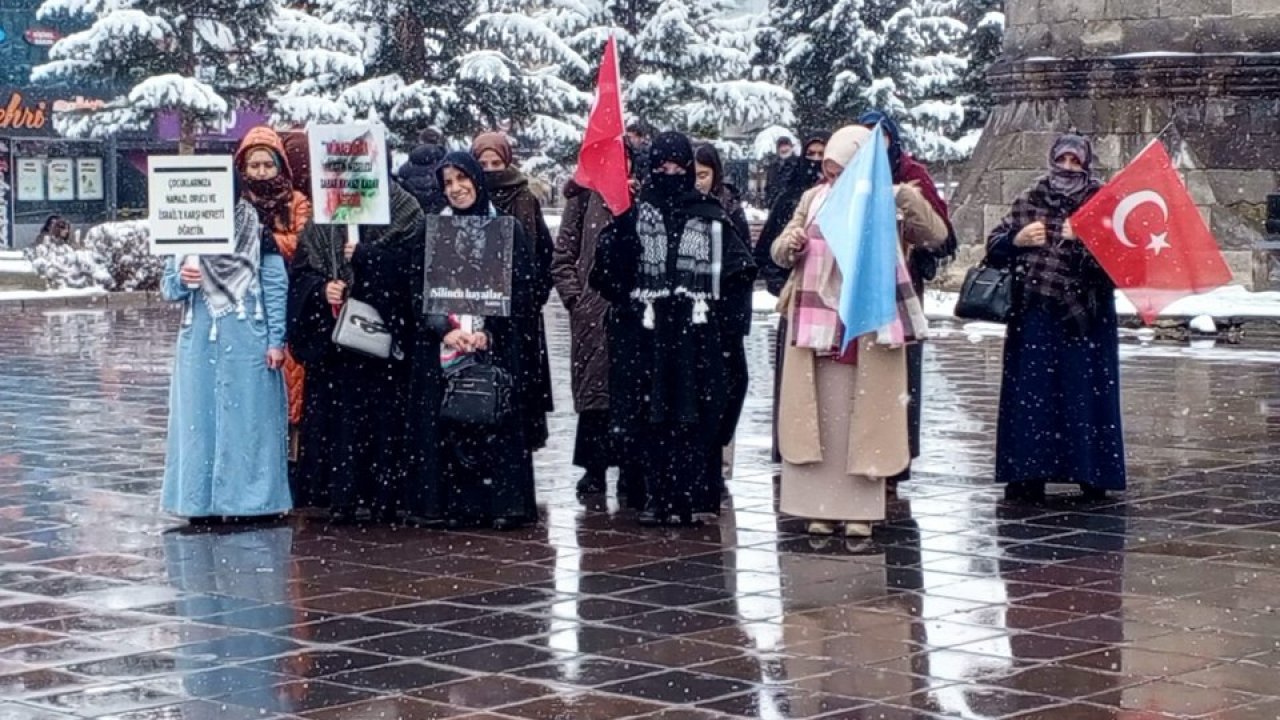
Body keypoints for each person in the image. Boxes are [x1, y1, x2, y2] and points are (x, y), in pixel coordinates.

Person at [771, 125, 947, 538]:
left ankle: (859, 510)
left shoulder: (885, 200)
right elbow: (780, 251)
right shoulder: (812, 200)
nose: (831, 180)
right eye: (827, 172)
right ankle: (818, 505)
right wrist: (791, 244)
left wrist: (905, 196)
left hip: (867, 322)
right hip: (815, 322)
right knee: (819, 415)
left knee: (864, 415)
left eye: (840, 172)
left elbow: (935, 234)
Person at [590, 131, 756, 527]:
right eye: (662, 166)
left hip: (697, 339)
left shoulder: (710, 214)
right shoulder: (634, 213)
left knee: (696, 417)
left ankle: (695, 497)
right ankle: (652, 496)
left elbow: (739, 273)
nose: (671, 174)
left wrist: (725, 329)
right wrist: (622, 238)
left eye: (679, 167)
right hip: (647, 338)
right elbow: (608, 279)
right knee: (650, 417)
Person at [985, 134, 1125, 502]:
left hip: (1086, 319)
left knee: (1084, 395)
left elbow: (1120, 263)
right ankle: (1027, 471)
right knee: (1033, 397)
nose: (1066, 167)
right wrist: (1016, 239)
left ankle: (1090, 471)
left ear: (1085, 164)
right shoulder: (1032, 197)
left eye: (1074, 161)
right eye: (1061, 159)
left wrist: (1086, 238)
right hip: (1035, 315)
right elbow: (994, 247)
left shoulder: (1102, 203)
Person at [287, 174, 425, 524]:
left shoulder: (405, 211)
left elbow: (413, 271)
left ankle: (384, 496)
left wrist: (370, 258)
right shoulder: (325, 214)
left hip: (384, 349)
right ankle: (342, 494)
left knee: (385, 424)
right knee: (343, 424)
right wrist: (321, 290)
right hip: (338, 350)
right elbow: (302, 274)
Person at [432, 152, 544, 530]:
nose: (456, 189)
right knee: (456, 424)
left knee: (498, 420)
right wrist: (445, 327)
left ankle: (502, 503)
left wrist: (491, 331)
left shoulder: (506, 230)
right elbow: (421, 289)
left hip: (497, 347)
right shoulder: (434, 231)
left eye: (461, 179)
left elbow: (524, 292)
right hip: (449, 345)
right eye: (447, 183)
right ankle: (461, 504)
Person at [160, 200, 291, 523]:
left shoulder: (257, 235)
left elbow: (275, 288)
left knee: (249, 418)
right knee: (198, 420)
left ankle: (251, 500)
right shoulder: (184, 235)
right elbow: (168, 287)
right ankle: (198, 500)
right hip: (199, 341)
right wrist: (182, 279)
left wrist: (276, 340)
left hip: (248, 337)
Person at [858, 111, 957, 489]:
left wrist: (909, 204)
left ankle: (897, 458)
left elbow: (943, 236)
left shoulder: (911, 174)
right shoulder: (847, 175)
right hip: (855, 293)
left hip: (901, 291)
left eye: (879, 138)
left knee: (901, 379)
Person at [471, 132, 555, 450]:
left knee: (518, 388)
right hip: (476, 312)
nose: (491, 170)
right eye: (484, 164)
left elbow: (544, 255)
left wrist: (532, 297)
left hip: (519, 315)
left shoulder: (524, 199)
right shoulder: (468, 198)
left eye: (496, 162)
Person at [235, 128, 313, 467]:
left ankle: (290, 456)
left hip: (289, 294)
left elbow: (305, 243)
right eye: (255, 165)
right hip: (243, 298)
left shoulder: (296, 202)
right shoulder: (237, 204)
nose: (262, 172)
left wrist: (271, 244)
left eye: (269, 164)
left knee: (291, 376)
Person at [553, 177, 632, 497]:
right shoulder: (583, 199)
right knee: (594, 387)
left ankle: (629, 466)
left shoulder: (638, 194)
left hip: (632, 310)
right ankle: (593, 467)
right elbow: (563, 257)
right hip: (592, 312)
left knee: (630, 388)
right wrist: (576, 299)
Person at [755, 132, 829, 463]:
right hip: (798, 300)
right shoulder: (793, 198)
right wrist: (781, 283)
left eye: (822, 155)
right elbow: (769, 249)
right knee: (793, 384)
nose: (815, 162)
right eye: (810, 155)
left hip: (831, 304)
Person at [693, 143, 753, 482]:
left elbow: (744, 267)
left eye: (705, 174)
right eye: (696, 174)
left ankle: (721, 456)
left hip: (725, 317)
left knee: (731, 383)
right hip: (699, 315)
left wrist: (736, 319)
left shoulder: (730, 210)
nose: (699, 181)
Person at [397, 128, 448, 215]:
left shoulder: (409, 165)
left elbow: (401, 176)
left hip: (413, 215)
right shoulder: (445, 163)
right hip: (440, 216)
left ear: (420, 141)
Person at [764, 135, 796, 206]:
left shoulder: (798, 164)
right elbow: (768, 186)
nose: (784, 149)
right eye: (781, 146)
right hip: (775, 205)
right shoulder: (773, 166)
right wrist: (768, 201)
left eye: (786, 145)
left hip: (792, 205)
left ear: (791, 147)